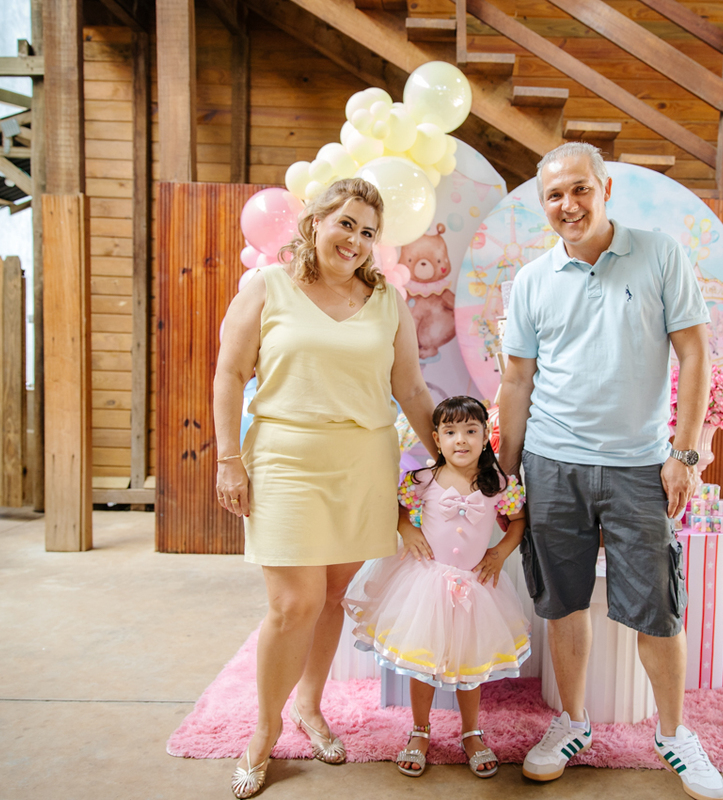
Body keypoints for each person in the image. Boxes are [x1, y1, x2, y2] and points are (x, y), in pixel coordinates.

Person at [498, 142, 723, 800]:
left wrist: (684, 454)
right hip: (552, 463)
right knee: (563, 603)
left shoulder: (660, 255)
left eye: (579, 189)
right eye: (554, 195)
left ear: (604, 190)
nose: (568, 204)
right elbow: (517, 381)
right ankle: (572, 724)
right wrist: (506, 475)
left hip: (638, 466)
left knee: (658, 609)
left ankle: (674, 733)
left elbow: (695, 356)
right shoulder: (532, 280)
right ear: (543, 205)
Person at [213, 178, 436, 799]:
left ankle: (310, 705)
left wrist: (456, 463)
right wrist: (228, 459)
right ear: (315, 222)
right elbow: (229, 373)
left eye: (368, 232)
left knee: (333, 594)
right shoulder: (269, 287)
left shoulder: (387, 300)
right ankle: (264, 730)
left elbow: (411, 389)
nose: (356, 240)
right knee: (294, 603)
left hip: (363, 463)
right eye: (346, 224)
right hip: (286, 460)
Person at [343, 396, 529, 780]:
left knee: (470, 664)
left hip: (476, 588)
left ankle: (471, 732)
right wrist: (408, 530)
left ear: (485, 437)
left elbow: (519, 521)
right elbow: (398, 509)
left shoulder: (498, 484)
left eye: (471, 431)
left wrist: (499, 553)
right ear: (437, 438)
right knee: (422, 662)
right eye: (451, 431)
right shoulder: (423, 479)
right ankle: (420, 729)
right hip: (426, 584)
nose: (461, 440)